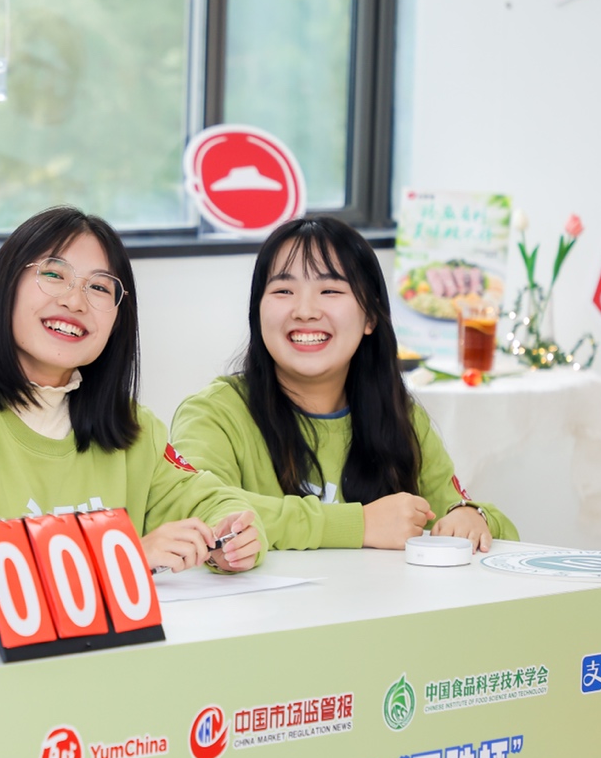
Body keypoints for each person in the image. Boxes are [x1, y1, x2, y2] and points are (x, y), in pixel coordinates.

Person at [0, 205, 264, 575]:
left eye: (99, 287)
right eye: (54, 274)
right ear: (5, 285)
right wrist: (124, 555)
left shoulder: (133, 427)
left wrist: (233, 537)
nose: (74, 301)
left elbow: (214, 502)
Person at [171, 217, 518, 553]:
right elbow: (194, 510)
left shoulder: (398, 414)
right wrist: (359, 525)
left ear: (370, 317)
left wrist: (472, 517)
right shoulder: (214, 413)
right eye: (283, 290)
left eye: (330, 290)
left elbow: (473, 518)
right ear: (257, 312)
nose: (305, 311)